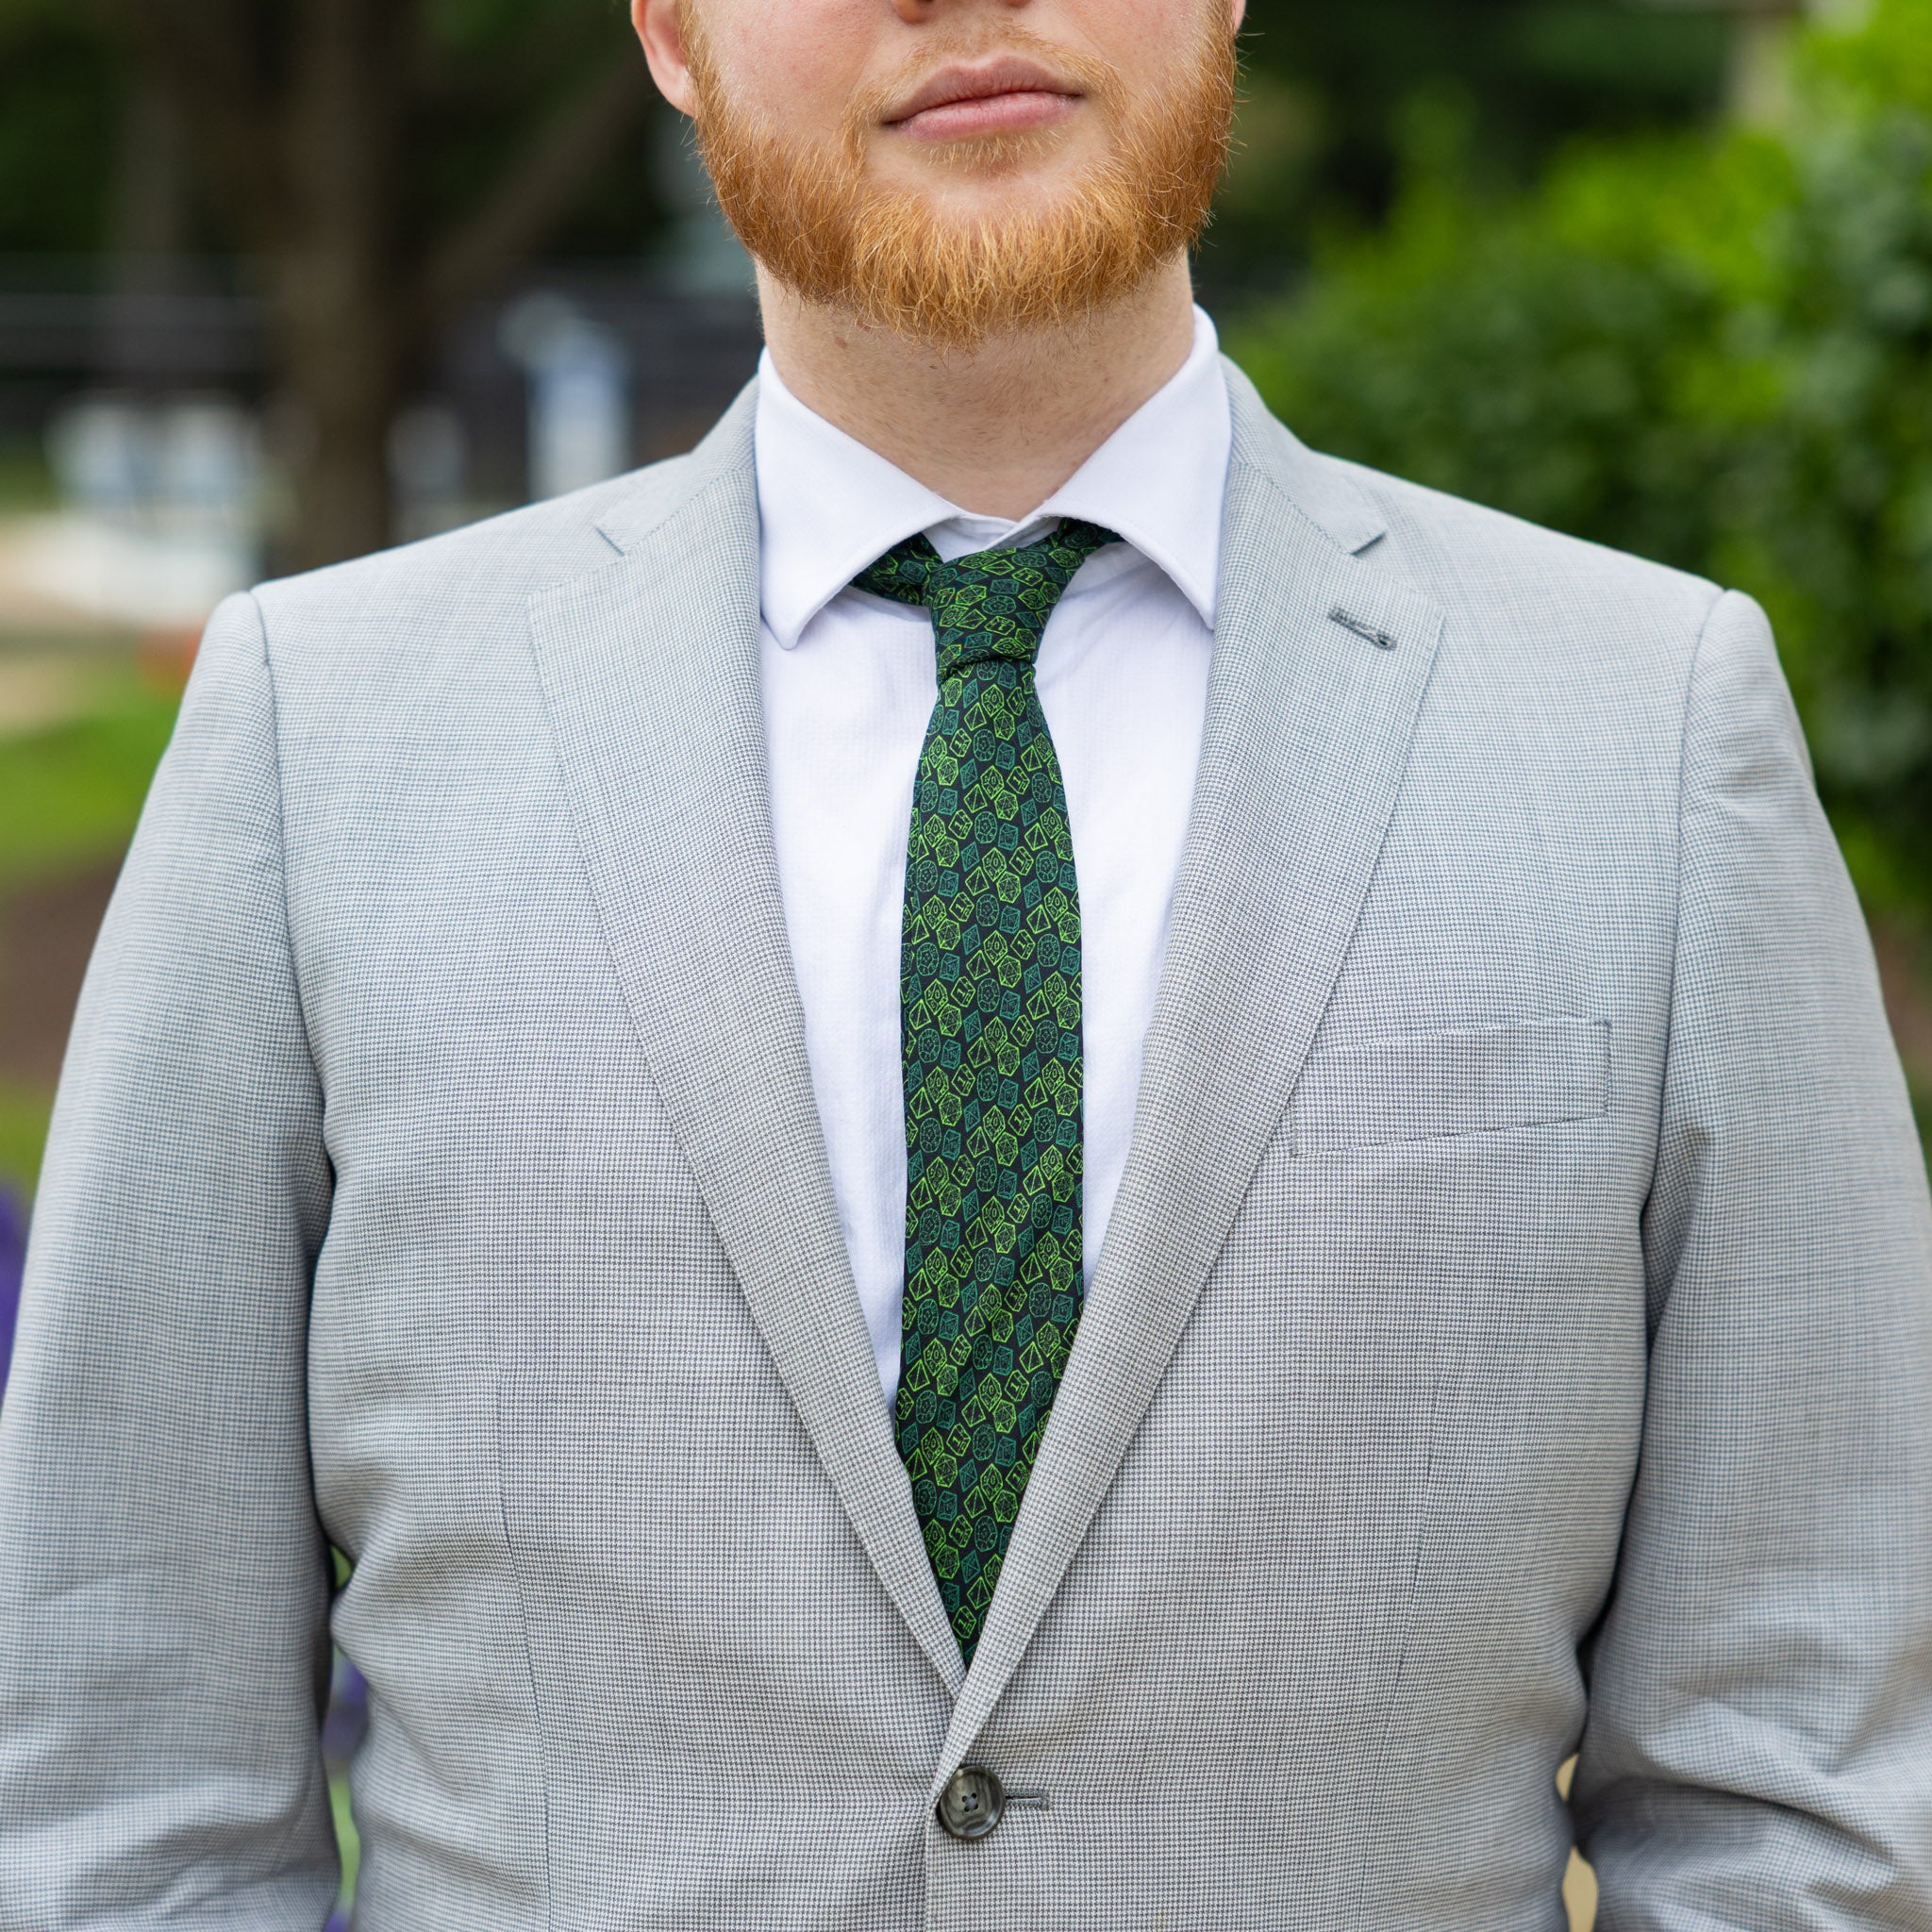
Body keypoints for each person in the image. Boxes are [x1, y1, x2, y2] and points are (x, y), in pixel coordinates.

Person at [2, 0, 1928, 1924]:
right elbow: (123, 1791)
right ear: (667, 30)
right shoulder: (317, 738)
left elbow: (1801, 1796)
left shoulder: (1647, 733)